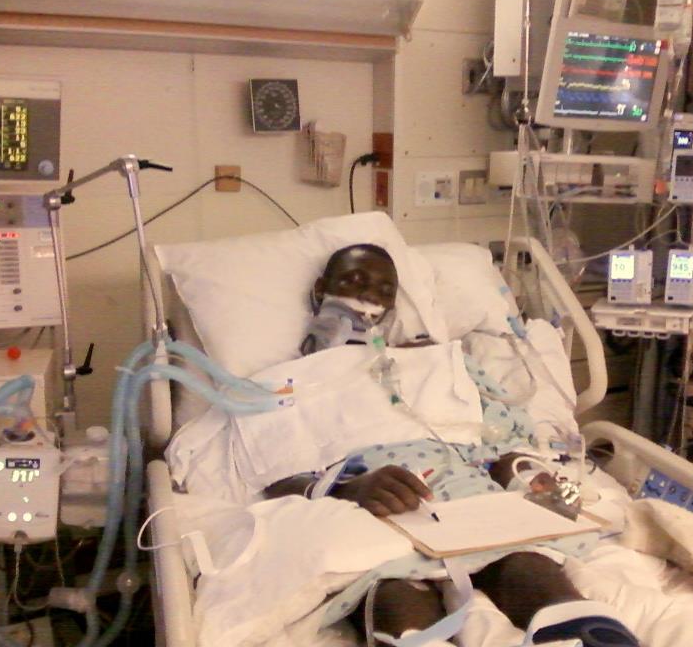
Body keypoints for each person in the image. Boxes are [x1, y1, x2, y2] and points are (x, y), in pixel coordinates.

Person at [266, 244, 639, 647]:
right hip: (372, 505)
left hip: (466, 491)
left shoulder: (438, 361)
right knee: (394, 587)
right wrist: (348, 489)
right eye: (354, 280)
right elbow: (268, 477)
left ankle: (586, 633)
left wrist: (530, 473)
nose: (369, 295)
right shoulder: (278, 385)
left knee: (525, 563)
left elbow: (509, 436)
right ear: (322, 289)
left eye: (384, 290)